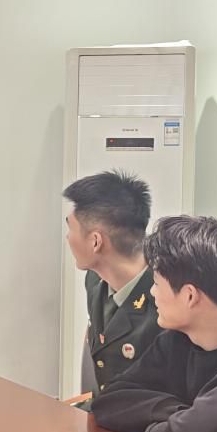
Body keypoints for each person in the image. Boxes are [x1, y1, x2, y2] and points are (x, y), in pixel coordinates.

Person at [93, 216, 217, 432]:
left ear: (190, 296)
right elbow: (110, 400)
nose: (152, 293)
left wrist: (154, 421)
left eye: (157, 283)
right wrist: (178, 412)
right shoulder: (180, 338)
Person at [62, 171, 162, 401]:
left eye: (71, 229)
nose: (68, 238)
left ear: (95, 242)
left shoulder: (165, 298)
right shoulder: (95, 279)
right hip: (106, 411)